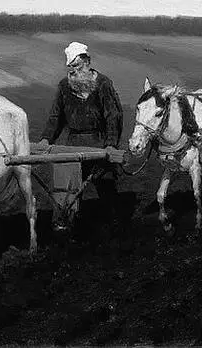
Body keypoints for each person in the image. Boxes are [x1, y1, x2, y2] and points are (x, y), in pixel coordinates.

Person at [38, 41, 124, 230]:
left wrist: (111, 143)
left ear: (86, 62)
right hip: (73, 143)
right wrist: (46, 139)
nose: (74, 71)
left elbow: (113, 115)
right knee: (71, 188)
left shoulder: (103, 83)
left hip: (99, 142)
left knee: (105, 184)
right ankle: (72, 224)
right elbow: (56, 116)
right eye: (71, 67)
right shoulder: (64, 86)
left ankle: (114, 224)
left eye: (77, 66)